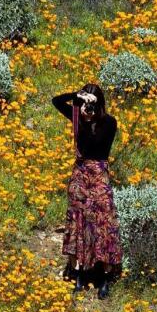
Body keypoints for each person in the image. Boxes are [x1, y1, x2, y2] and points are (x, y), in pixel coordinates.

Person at [52, 84, 122, 299]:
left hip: (99, 175)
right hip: (80, 175)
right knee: (78, 222)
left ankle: (104, 277)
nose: (86, 107)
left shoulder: (109, 123)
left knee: (103, 223)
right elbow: (56, 101)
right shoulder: (77, 116)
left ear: (99, 103)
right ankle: (79, 272)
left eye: (91, 103)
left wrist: (86, 120)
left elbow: (94, 144)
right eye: (83, 104)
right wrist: (76, 97)